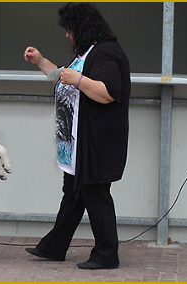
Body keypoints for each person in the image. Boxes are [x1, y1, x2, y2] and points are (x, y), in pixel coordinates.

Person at [23, 3, 130, 270]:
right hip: (76, 144)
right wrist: (40, 61)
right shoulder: (88, 52)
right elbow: (62, 77)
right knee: (73, 193)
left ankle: (107, 254)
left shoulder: (106, 54)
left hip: (96, 144)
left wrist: (79, 80)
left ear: (81, 28)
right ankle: (54, 246)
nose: (67, 36)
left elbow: (107, 92)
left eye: (69, 30)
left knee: (95, 194)